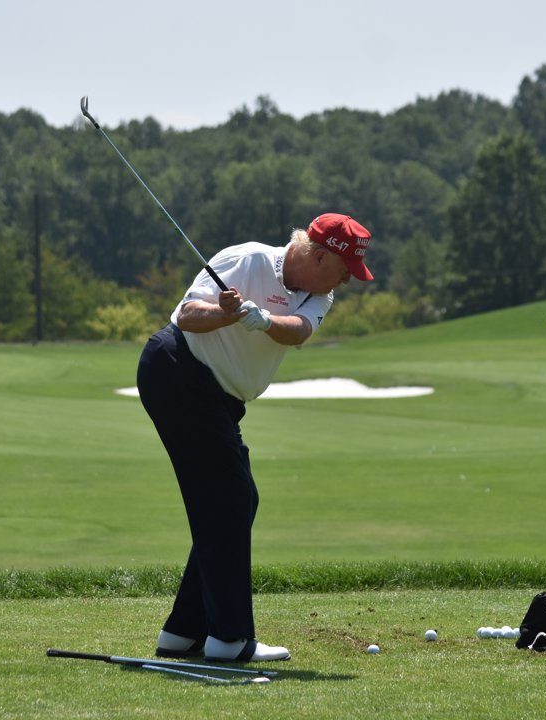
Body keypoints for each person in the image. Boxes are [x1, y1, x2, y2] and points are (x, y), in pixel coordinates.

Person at [135, 213, 374, 663]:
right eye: (345, 270)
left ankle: (183, 632)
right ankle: (229, 639)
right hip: (178, 373)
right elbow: (187, 316)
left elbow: (298, 331)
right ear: (320, 255)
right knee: (229, 499)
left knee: (238, 501)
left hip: (219, 398)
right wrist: (226, 313)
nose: (348, 280)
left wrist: (261, 319)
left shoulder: (320, 294)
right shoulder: (247, 259)